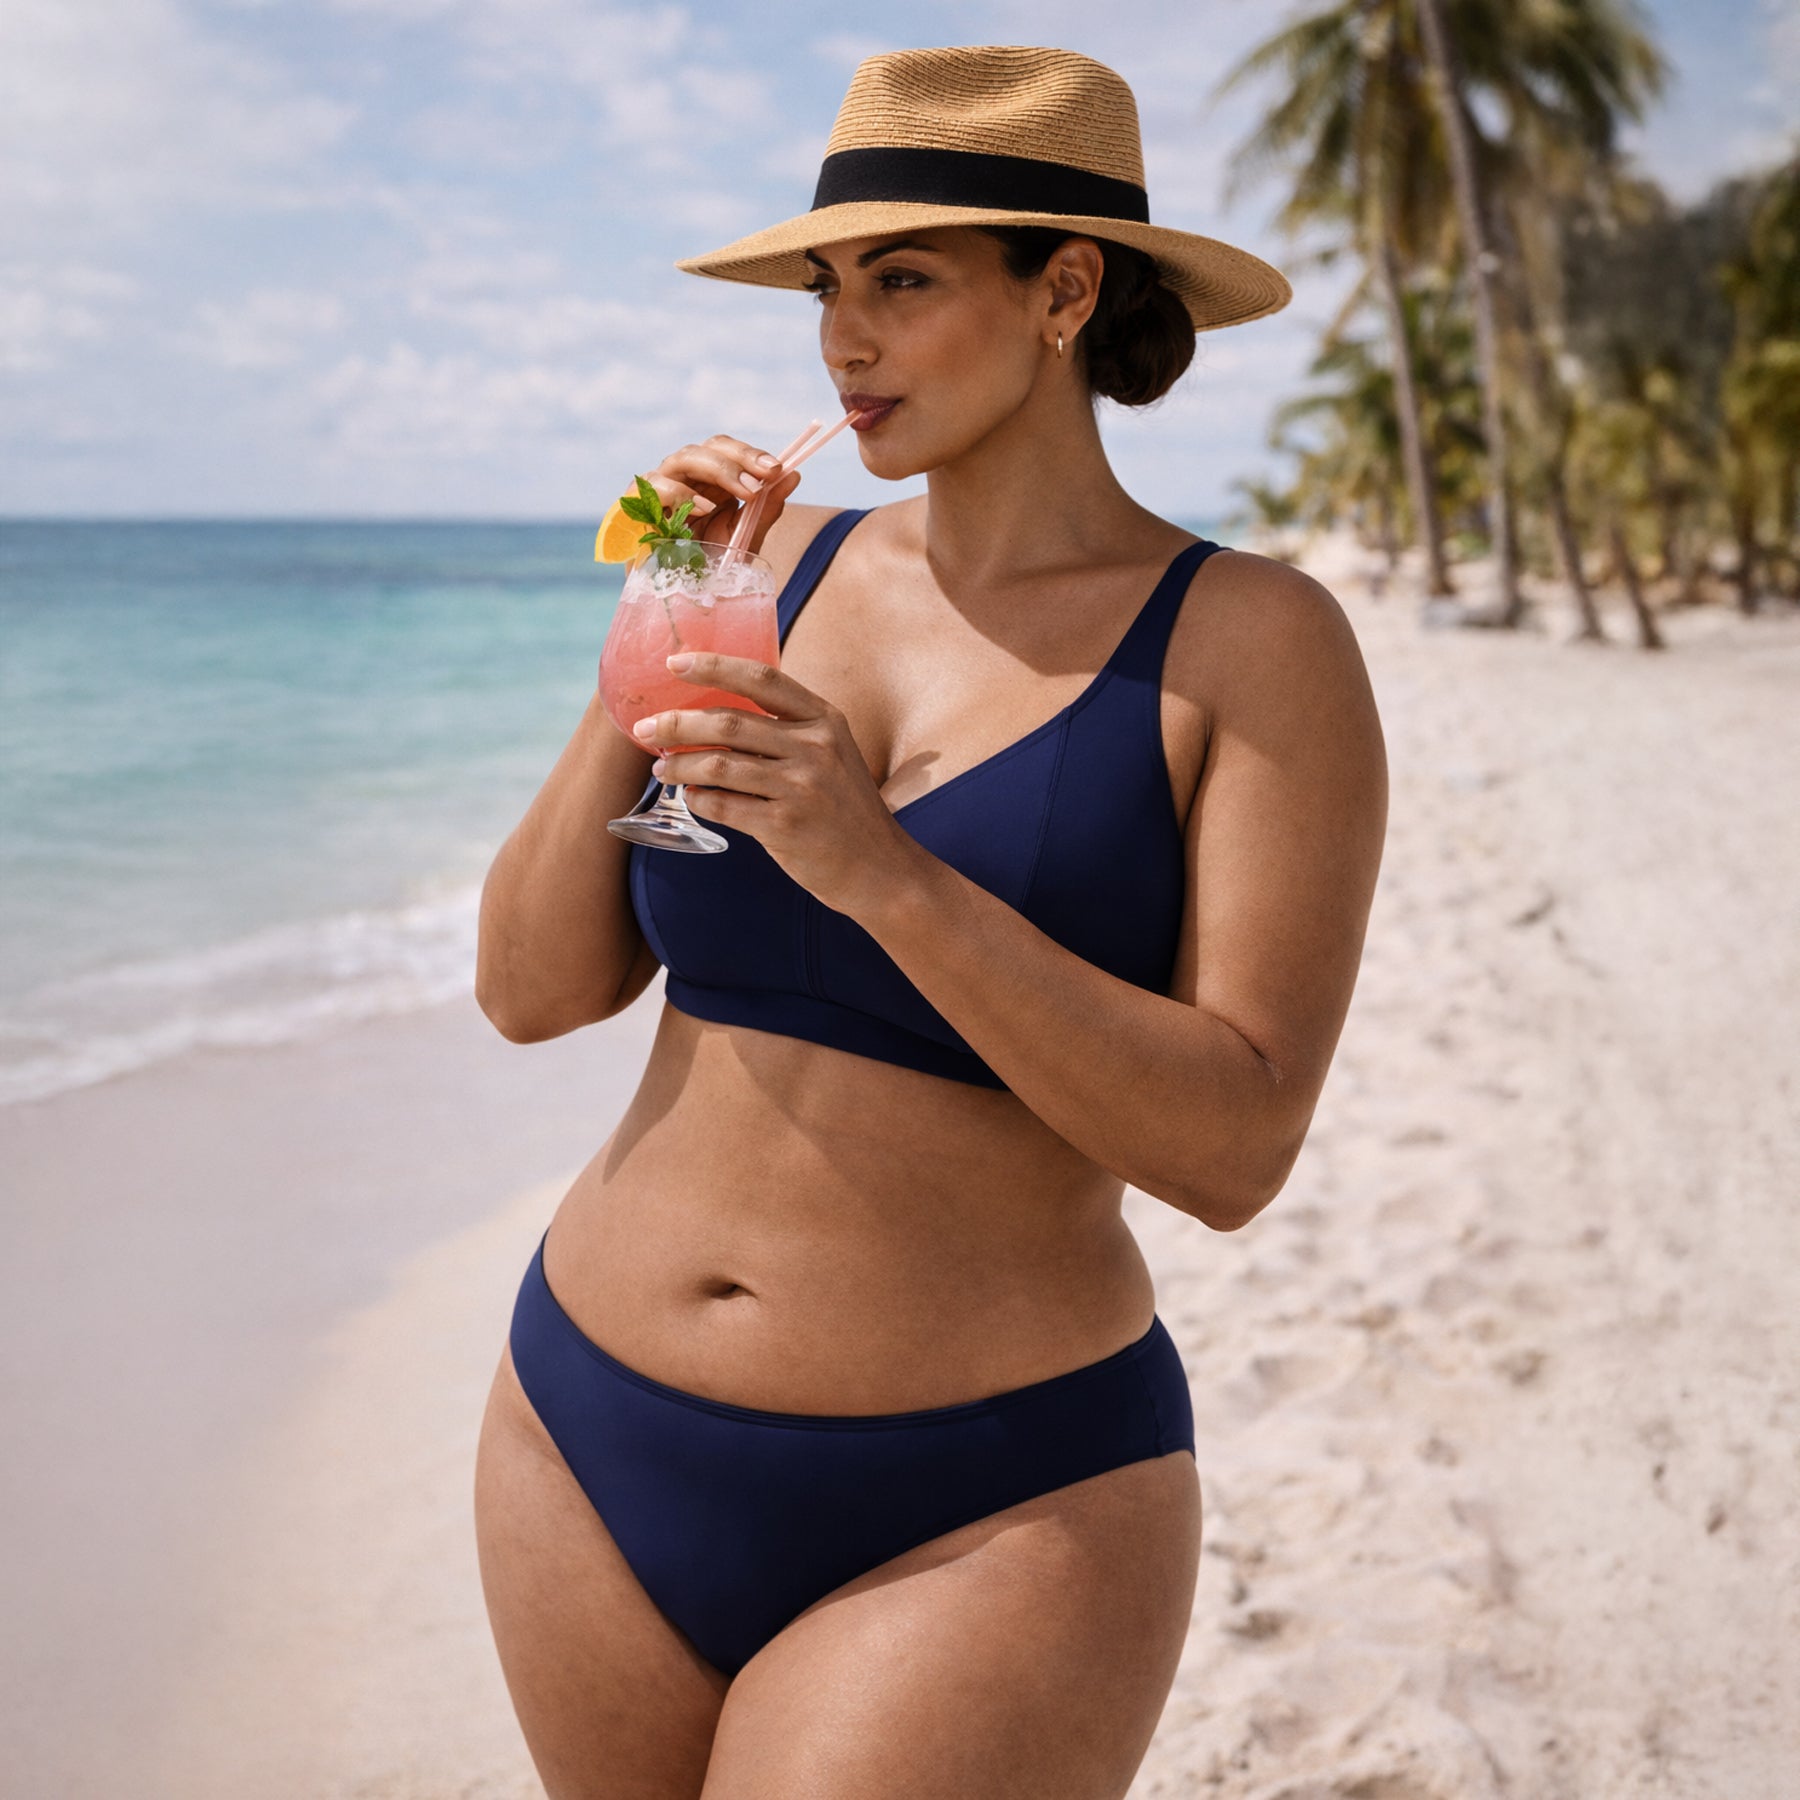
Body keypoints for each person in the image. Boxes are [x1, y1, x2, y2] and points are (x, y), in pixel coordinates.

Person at [472, 42, 1387, 1800]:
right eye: (828, 288)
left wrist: (880, 869)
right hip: (580, 1427)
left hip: (984, 1500)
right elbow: (530, 987)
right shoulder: (769, 565)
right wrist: (663, 621)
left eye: (903, 279)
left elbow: (1236, 1145)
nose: (844, 339)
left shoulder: (1249, 642)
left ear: (1065, 289)